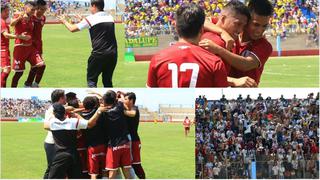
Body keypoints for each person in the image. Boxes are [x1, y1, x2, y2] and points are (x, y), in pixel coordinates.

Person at [147, 3, 228, 88]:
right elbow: (221, 97)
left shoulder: (157, 59)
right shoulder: (214, 62)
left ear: (176, 28)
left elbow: (150, 96)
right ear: (201, 30)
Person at [200, 0, 273, 86]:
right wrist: (222, 32)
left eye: (264, 26)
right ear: (247, 20)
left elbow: (245, 64)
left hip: (245, 95)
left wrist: (218, 49)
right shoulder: (233, 29)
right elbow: (200, 21)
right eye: (256, 25)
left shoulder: (264, 45)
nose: (260, 31)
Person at [58, 0, 117, 88]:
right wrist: (82, 20)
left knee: (91, 81)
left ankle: (93, 100)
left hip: (99, 55)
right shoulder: (110, 17)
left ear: (94, 6)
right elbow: (97, 26)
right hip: (113, 54)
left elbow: (72, 29)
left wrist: (64, 21)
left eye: (90, 6)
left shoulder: (90, 18)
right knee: (107, 81)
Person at [44, 103, 108, 178]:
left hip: (60, 155)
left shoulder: (53, 123)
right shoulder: (73, 122)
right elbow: (90, 124)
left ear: (55, 113)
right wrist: (98, 111)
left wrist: (64, 110)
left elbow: (46, 124)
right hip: (73, 155)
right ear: (64, 112)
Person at [10, 1, 45, 87]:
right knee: (19, 73)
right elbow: (11, 24)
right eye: (32, 10)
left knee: (40, 64)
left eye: (34, 10)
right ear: (26, 8)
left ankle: (29, 84)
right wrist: (19, 18)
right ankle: (12, 90)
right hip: (20, 48)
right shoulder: (19, 15)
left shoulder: (32, 17)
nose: (33, 12)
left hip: (30, 48)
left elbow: (39, 19)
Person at [102, 90, 133, 179]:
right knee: (126, 170)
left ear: (105, 101)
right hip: (125, 144)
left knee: (112, 171)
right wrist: (120, 94)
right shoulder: (119, 107)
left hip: (114, 145)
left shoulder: (104, 113)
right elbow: (122, 100)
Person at [1, 3, 31, 87]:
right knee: (6, 70)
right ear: (1, 12)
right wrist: (19, 36)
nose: (8, 13)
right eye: (6, 11)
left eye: (8, 11)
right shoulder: (1, 22)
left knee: (7, 70)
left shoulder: (3, 21)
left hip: (5, 48)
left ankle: (3, 89)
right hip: (2, 48)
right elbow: (6, 35)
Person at [81, 96, 107, 179]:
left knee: (93, 173)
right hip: (104, 146)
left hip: (92, 148)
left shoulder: (82, 117)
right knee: (104, 171)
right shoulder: (100, 113)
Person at [43, 89, 66, 179]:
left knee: (57, 168)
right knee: (52, 167)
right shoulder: (51, 110)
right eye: (64, 97)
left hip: (57, 143)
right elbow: (46, 126)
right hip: (52, 143)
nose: (66, 98)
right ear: (61, 98)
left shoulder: (60, 108)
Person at [24, 0, 47, 87]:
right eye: (42, 9)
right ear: (37, 8)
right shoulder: (30, 17)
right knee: (40, 65)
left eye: (45, 9)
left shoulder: (43, 18)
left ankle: (31, 84)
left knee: (38, 66)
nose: (43, 11)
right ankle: (31, 84)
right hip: (30, 45)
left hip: (39, 45)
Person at [124, 92, 146, 179]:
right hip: (127, 141)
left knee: (136, 165)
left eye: (126, 99)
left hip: (134, 141)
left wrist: (121, 110)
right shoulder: (125, 108)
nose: (123, 101)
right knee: (129, 165)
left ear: (131, 100)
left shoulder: (134, 108)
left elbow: (132, 114)